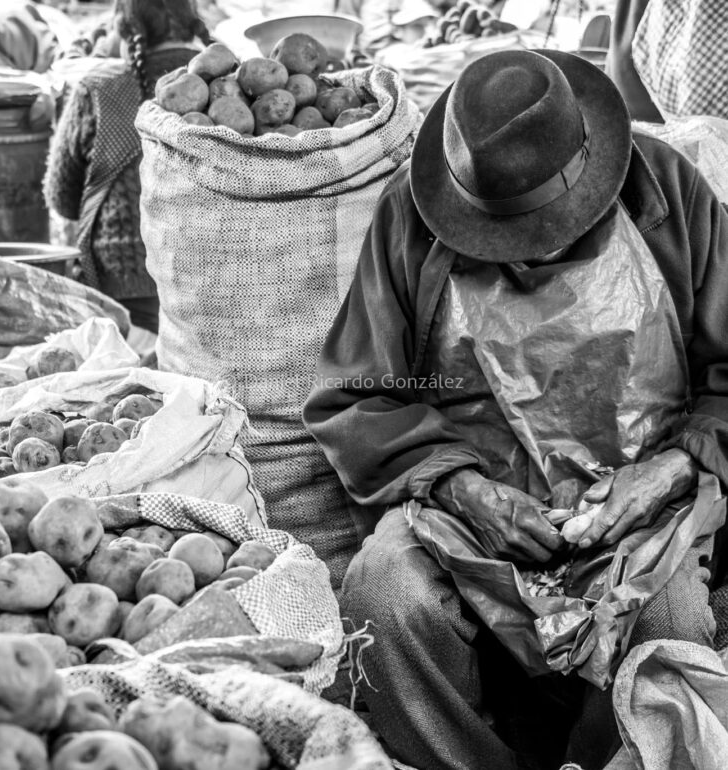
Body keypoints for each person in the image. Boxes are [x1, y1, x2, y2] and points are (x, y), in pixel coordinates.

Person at [303, 49, 728, 770]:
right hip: (474, 516)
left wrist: (673, 468)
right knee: (385, 593)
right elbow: (363, 392)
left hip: (642, 511)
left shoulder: (668, 197)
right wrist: (460, 486)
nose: (529, 256)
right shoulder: (409, 217)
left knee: (668, 621)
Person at [44, 0, 211, 334]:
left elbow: (62, 198)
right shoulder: (230, 87)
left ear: (123, 28)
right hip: (215, 277)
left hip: (123, 285)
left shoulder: (99, 88)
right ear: (193, 22)